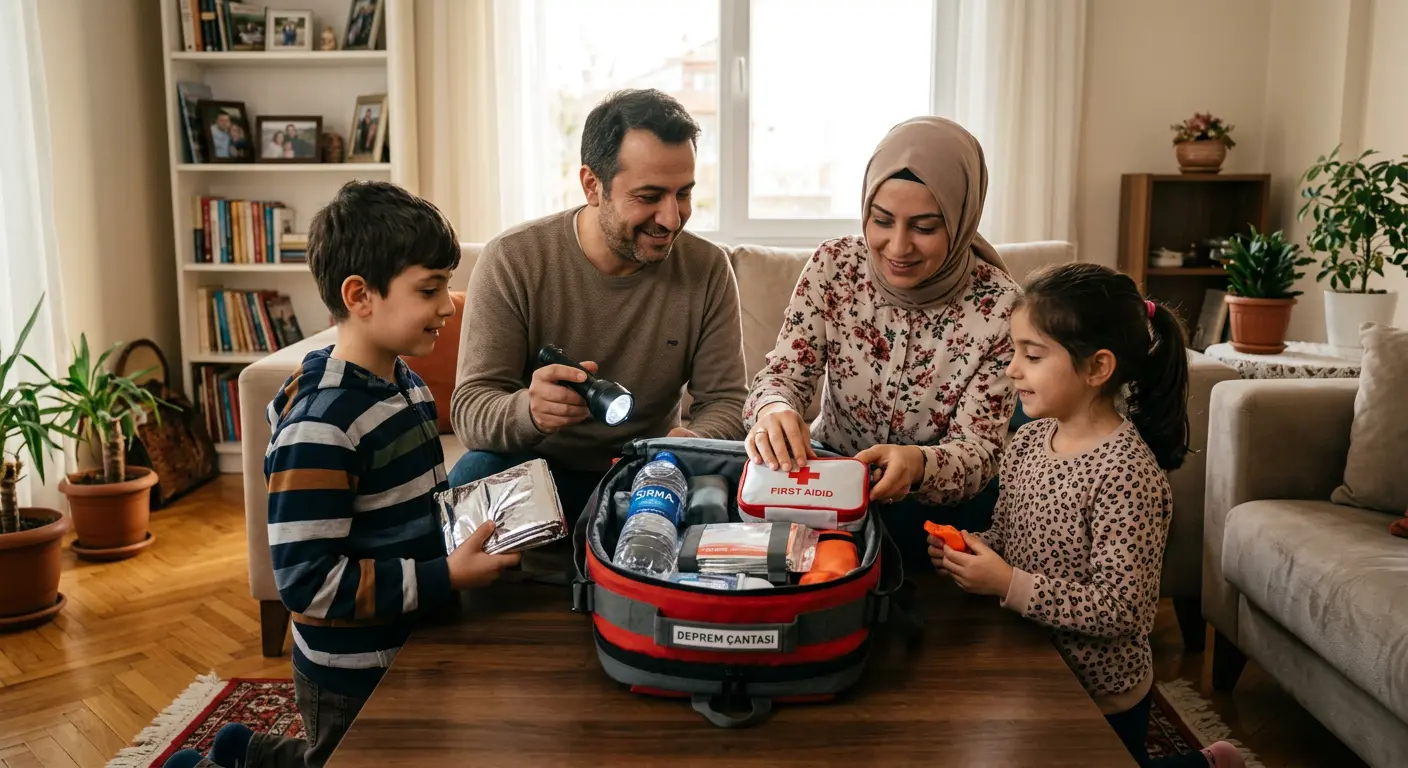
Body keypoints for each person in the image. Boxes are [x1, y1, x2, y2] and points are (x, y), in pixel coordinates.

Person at [163, 181, 521, 768]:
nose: (448, 305)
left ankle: (247, 748)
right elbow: (307, 584)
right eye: (430, 289)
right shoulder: (323, 427)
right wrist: (444, 577)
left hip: (403, 639)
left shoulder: (400, 381)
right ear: (360, 296)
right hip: (353, 667)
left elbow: (409, 501)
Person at [934, 263, 1243, 768]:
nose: (1012, 369)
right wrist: (974, 548)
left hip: (1100, 692)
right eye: (1015, 351)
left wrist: (1009, 583)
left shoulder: (1126, 473)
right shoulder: (1030, 441)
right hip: (1031, 661)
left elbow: (1125, 610)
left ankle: (1208, 764)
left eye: (1032, 355)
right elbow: (1012, 534)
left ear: (1098, 368)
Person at [449, 88, 747, 518]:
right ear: (593, 185)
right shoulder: (514, 259)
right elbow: (471, 407)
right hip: (541, 471)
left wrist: (685, 444)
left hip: (649, 474)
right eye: (648, 197)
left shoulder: (707, 268)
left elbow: (727, 403)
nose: (671, 218)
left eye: (683, 193)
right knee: (474, 471)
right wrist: (529, 411)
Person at [743, 116, 1019, 572]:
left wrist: (918, 465)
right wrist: (774, 410)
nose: (897, 246)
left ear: (962, 218)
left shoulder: (1002, 308)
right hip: (823, 493)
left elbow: (981, 451)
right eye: (882, 221)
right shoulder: (834, 266)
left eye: (926, 226)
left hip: (934, 514)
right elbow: (783, 376)